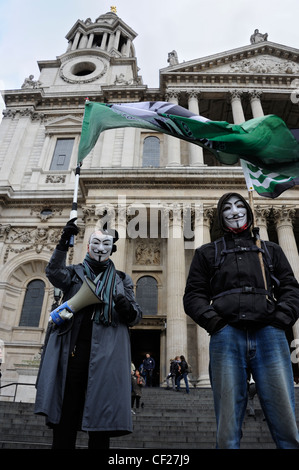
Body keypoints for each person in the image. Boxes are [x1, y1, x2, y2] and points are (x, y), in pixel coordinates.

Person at [183, 192, 299, 449]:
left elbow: (291, 288)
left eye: (239, 206)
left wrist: (281, 319)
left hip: (270, 334)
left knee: (286, 422)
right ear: (221, 216)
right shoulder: (207, 253)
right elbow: (193, 296)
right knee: (227, 429)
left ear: (248, 210)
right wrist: (215, 324)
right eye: (227, 208)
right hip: (227, 336)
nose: (234, 212)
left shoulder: (270, 250)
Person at [34, 219, 142, 449]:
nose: (100, 248)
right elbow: (53, 272)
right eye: (96, 243)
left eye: (106, 244)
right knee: (66, 416)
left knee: (101, 423)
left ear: (112, 248)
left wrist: (126, 308)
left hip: (107, 356)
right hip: (73, 352)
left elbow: (135, 316)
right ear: (88, 246)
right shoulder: (74, 273)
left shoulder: (122, 279)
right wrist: (63, 243)